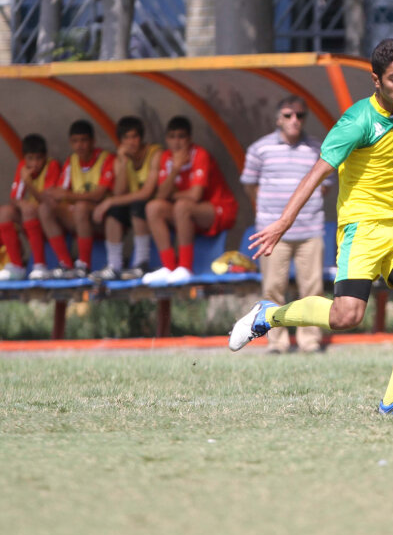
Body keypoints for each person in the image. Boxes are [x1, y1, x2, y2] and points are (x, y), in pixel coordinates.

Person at [228, 39, 393, 413]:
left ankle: (392, 400)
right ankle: (268, 316)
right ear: (376, 80)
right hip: (362, 231)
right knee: (346, 316)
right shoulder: (356, 121)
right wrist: (283, 221)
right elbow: (317, 172)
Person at [240, 96, 331, 353]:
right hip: (271, 233)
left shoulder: (317, 148)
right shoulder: (260, 148)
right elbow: (250, 186)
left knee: (312, 290)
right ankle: (276, 342)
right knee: (272, 289)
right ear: (278, 119)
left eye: (300, 116)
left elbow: (325, 185)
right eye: (289, 115)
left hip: (310, 230)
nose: (294, 120)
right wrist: (269, 212)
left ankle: (309, 341)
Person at [141, 116, 238, 284]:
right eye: (172, 137)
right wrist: (175, 169)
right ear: (166, 139)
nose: (176, 142)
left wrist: (172, 195)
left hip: (218, 210)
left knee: (182, 206)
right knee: (153, 207)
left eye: (181, 136)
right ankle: (169, 267)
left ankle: (185, 267)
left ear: (189, 139)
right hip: (186, 215)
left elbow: (195, 195)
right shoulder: (166, 157)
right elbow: (160, 196)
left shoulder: (200, 154)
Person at [33, 119, 114, 279]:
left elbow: (98, 195)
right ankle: (66, 264)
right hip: (80, 216)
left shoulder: (106, 158)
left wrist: (68, 196)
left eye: (84, 140)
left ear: (93, 141)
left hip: (103, 218)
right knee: (44, 208)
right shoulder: (72, 161)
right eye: (75, 141)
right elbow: (60, 193)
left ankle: (84, 265)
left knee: (81, 207)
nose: (79, 145)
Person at [89, 116, 161, 281]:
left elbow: (147, 193)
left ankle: (141, 263)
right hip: (134, 205)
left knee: (137, 206)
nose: (131, 142)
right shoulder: (120, 159)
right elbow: (119, 192)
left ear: (141, 137)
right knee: (115, 211)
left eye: (134, 137)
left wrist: (109, 201)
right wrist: (122, 163)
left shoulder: (154, 153)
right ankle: (114, 265)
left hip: (155, 206)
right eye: (126, 138)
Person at [0, 134, 61, 281]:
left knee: (31, 210)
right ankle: (17, 267)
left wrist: (28, 182)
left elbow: (46, 201)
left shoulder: (52, 166)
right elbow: (14, 198)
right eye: (30, 158)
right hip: (33, 219)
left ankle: (40, 265)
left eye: (38, 158)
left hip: (53, 220)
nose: (34, 163)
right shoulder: (23, 166)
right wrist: (21, 203)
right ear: (25, 158)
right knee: (5, 212)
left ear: (45, 157)